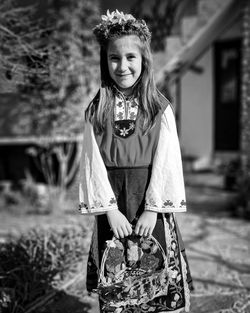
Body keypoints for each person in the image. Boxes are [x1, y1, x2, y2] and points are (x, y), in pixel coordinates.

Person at [79, 9, 193, 313]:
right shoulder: (96, 110)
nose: (123, 65)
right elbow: (93, 165)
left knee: (157, 280)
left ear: (144, 60)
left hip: (149, 205)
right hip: (113, 206)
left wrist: (153, 210)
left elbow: (166, 162)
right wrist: (110, 211)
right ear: (105, 61)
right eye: (114, 58)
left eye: (131, 57)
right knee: (117, 281)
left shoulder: (159, 107)